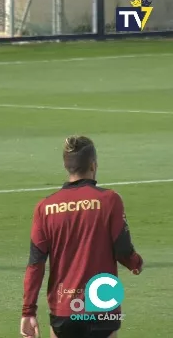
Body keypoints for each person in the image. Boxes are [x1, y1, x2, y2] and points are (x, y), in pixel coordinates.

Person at [20, 135, 144, 338]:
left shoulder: (45, 207)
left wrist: (28, 311)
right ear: (93, 165)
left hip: (64, 308)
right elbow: (122, 249)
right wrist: (135, 263)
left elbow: (36, 264)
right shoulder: (109, 200)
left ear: (66, 166)